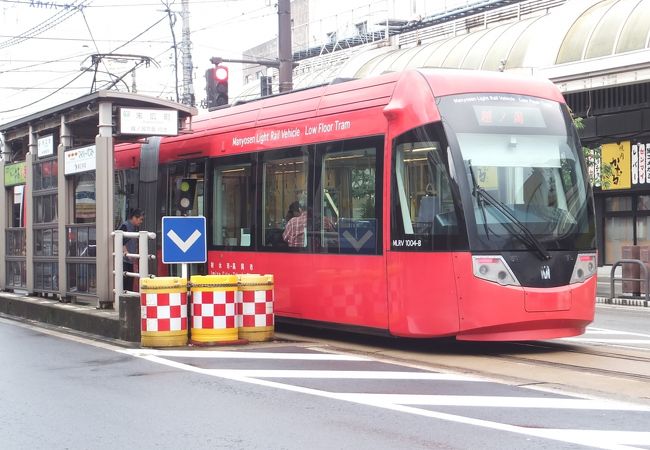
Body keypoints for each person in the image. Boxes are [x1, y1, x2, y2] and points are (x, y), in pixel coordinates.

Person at [118, 208, 144, 292]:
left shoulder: (133, 227)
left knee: (130, 281)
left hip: (129, 260)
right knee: (127, 282)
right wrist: (126, 252)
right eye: (140, 219)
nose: (141, 222)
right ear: (134, 218)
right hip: (125, 260)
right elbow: (119, 240)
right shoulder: (125, 226)